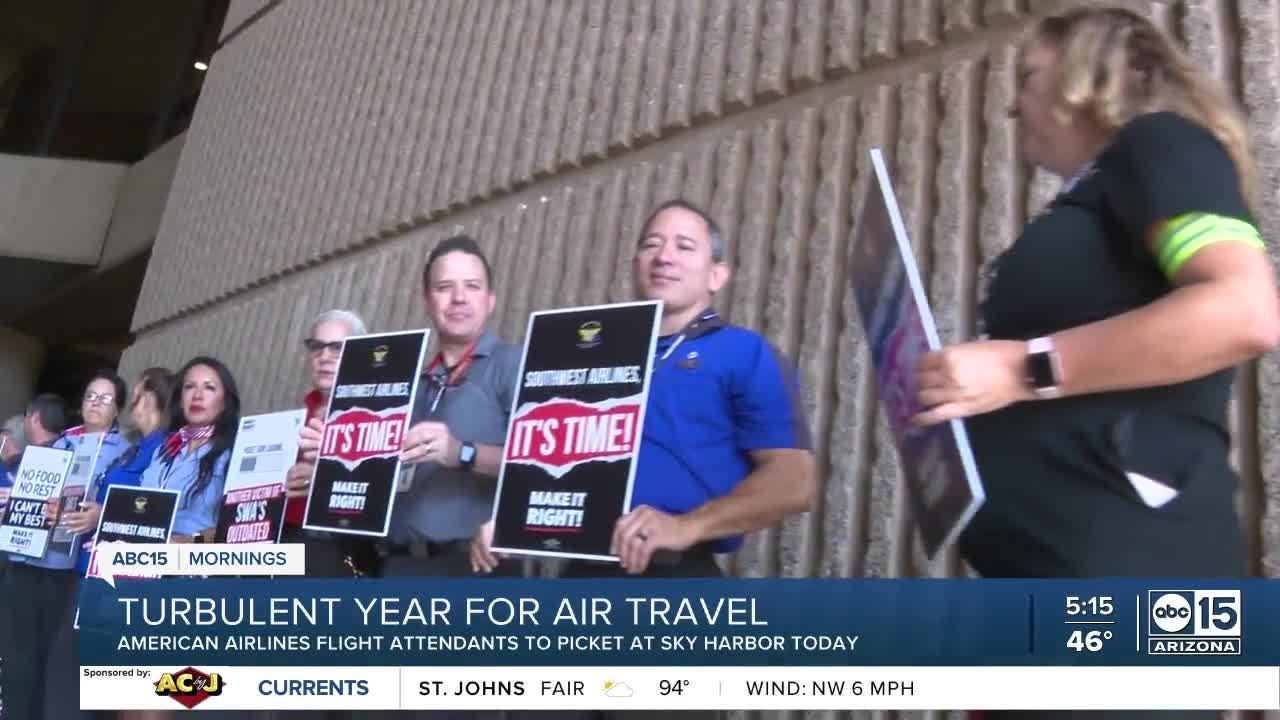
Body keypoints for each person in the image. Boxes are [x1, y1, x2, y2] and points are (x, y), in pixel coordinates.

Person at [910, 6, 1279, 590]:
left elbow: (1242, 312)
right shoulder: (1105, 192)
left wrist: (1018, 368)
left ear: (1094, 70)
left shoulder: (1162, 141)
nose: (1011, 106)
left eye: (1027, 77)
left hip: (1137, 572)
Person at [473, 199, 817, 585]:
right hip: (580, 573)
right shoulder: (588, 355)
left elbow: (795, 481)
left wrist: (686, 526)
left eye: (684, 246)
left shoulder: (746, 352)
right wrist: (514, 520)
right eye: (652, 244)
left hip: (678, 576)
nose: (664, 257)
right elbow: (547, 462)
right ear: (636, 264)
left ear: (716, 275)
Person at [291, 235, 522, 583]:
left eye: (472, 286)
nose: (459, 298)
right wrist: (330, 470)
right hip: (398, 566)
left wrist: (460, 452)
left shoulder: (515, 364)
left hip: (475, 568)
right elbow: (380, 475)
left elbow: (543, 462)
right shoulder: (406, 384)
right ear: (427, 301)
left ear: (490, 300)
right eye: (444, 287)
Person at [43, 367, 175, 720]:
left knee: (77, 684)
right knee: (71, 680)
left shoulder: (165, 450)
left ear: (149, 396)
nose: (132, 397)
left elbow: (153, 513)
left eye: (138, 390)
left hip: (123, 580)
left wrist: (103, 514)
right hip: (90, 570)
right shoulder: (135, 450)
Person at [283, 309, 381, 577]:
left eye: (337, 348)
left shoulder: (378, 416)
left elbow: (384, 487)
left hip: (341, 552)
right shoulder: (295, 417)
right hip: (284, 544)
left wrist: (324, 478)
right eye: (317, 347)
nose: (324, 357)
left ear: (361, 354)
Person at [139, 357, 240, 542]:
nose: (197, 395)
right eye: (189, 387)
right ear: (180, 399)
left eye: (209, 387)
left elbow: (238, 527)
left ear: (225, 402)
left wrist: (187, 542)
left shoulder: (234, 452)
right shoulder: (163, 449)